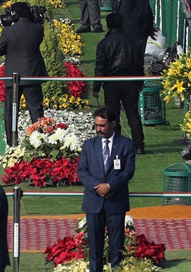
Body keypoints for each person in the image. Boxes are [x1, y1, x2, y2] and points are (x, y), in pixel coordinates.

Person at [77, 107, 136, 272]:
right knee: (95, 248)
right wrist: (99, 187)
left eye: (102, 125)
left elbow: (128, 171)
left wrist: (110, 186)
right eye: (96, 125)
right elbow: (82, 171)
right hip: (94, 203)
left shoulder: (126, 144)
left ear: (113, 123)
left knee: (117, 246)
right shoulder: (89, 145)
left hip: (116, 202)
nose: (98, 129)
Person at [92, 13, 146, 155]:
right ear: (122, 24)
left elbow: (100, 67)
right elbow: (139, 63)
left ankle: (115, 145)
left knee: (112, 115)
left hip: (112, 83)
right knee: (133, 113)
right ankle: (139, 145)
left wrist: (96, 87)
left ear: (108, 25)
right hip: (130, 81)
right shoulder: (135, 41)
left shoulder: (104, 43)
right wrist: (140, 80)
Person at [0, 2, 46, 143]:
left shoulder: (8, 31)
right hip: (32, 74)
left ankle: (11, 143)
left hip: (13, 77)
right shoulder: (38, 29)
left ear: (14, 15)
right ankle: (40, 142)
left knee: (11, 112)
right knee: (36, 110)